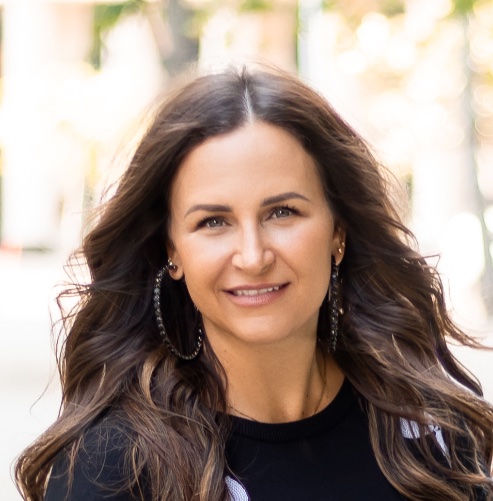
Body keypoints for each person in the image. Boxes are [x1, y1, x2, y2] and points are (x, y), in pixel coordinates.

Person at [16, 66, 493, 501]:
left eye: (282, 212)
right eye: (213, 222)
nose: (253, 256)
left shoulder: (431, 439)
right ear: (171, 250)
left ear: (338, 232)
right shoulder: (116, 468)